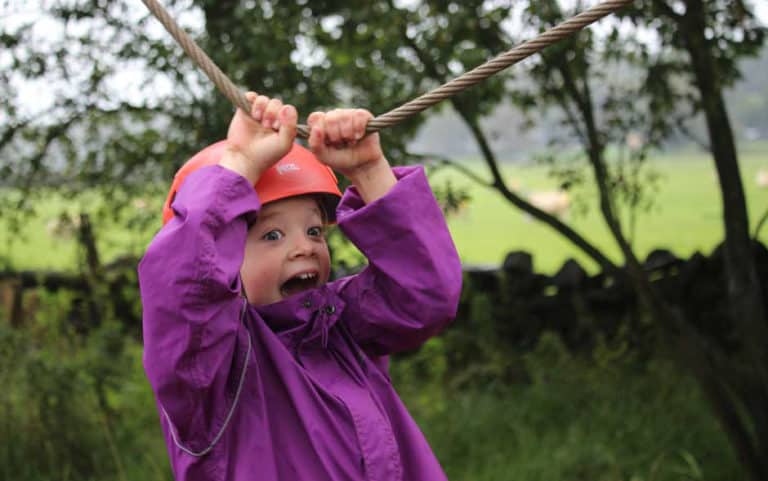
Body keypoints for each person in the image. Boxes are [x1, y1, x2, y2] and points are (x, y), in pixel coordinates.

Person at [139, 92, 462, 481]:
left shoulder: (343, 325)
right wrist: (240, 164)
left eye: (313, 230)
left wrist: (370, 170)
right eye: (272, 235)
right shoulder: (209, 376)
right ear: (221, 253)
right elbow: (186, 291)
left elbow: (426, 295)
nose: (303, 247)